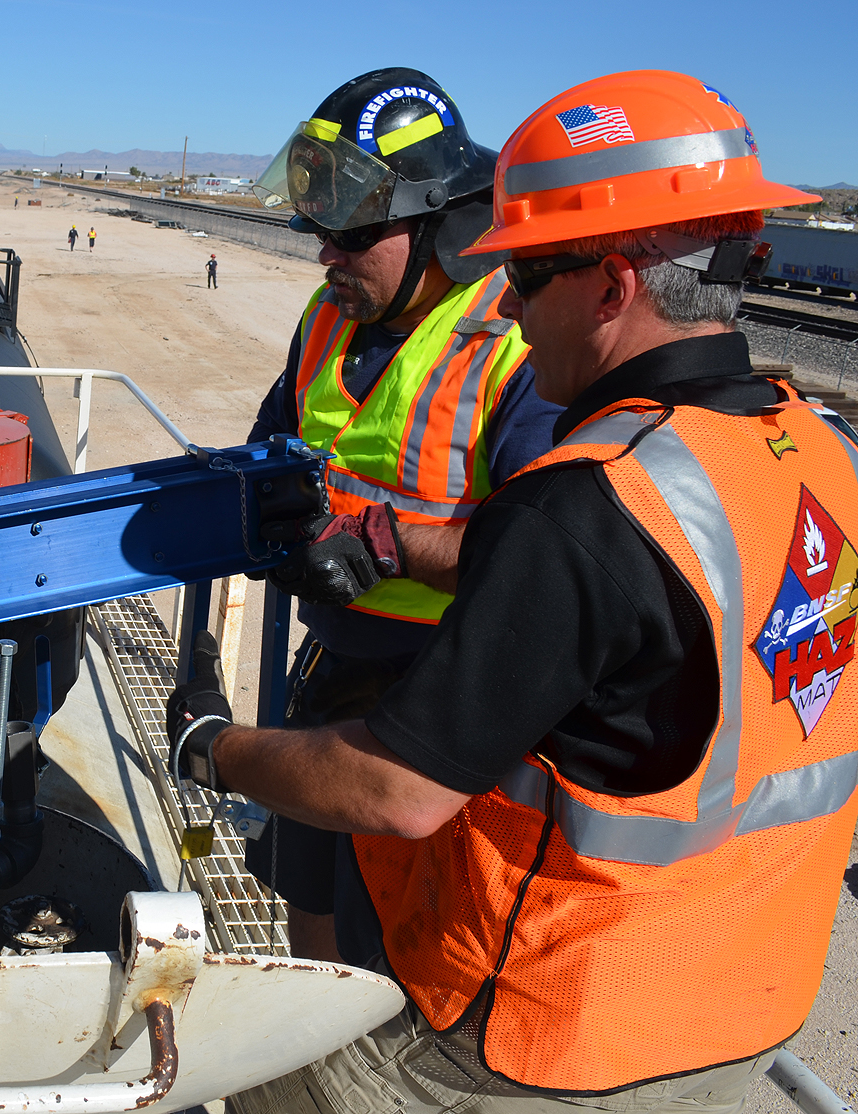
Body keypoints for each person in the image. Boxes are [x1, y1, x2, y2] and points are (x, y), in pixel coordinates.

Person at [170, 70, 858, 1113]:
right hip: (741, 1002)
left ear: (614, 288)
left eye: (527, 276)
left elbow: (399, 794)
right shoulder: (816, 451)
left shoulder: (591, 500)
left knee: (265, 1075)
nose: (512, 308)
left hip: (558, 1027)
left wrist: (209, 746)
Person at [242, 69, 561, 964]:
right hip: (333, 675)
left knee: (416, 949)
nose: (324, 257)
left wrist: (386, 549)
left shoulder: (521, 344)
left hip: (449, 709)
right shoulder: (330, 314)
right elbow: (275, 446)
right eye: (318, 232)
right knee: (309, 903)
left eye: (350, 235)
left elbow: (548, 567)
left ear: (441, 223)